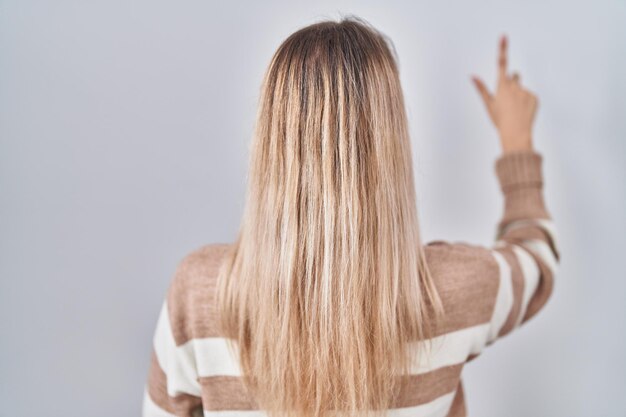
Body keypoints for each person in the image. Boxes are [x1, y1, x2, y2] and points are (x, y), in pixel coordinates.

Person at [142, 16, 560, 417]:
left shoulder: (198, 294)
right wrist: (516, 140)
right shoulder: (458, 289)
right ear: (390, 144)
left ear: (270, 141)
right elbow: (536, 260)